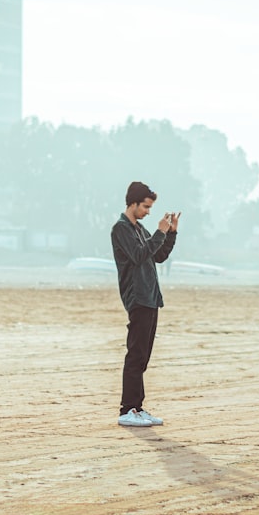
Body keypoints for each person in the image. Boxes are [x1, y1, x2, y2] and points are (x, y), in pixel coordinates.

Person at [111, 181, 180, 427]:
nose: (148, 212)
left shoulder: (139, 229)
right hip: (137, 297)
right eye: (146, 207)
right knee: (135, 355)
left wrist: (170, 233)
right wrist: (159, 232)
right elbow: (140, 255)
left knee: (143, 357)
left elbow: (158, 255)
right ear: (133, 203)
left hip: (151, 298)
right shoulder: (121, 229)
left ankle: (137, 408)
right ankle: (127, 409)